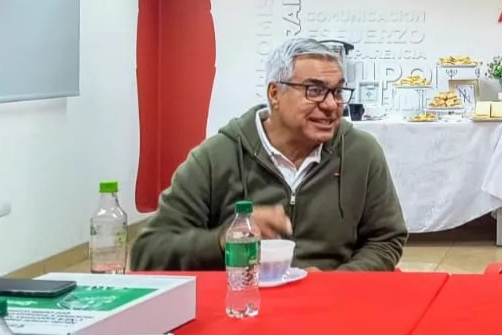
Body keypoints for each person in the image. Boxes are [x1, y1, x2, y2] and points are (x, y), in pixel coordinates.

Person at [132, 38, 407, 272]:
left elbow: (385, 240)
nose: (330, 105)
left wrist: (337, 282)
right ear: (275, 94)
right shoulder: (216, 158)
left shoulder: (361, 152)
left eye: (336, 92)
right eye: (315, 90)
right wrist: (222, 242)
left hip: (331, 303)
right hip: (242, 301)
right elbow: (148, 253)